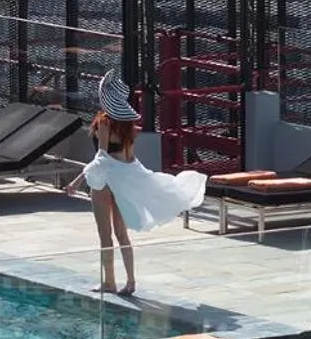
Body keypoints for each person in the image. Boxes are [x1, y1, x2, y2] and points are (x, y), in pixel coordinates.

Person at [61, 71, 207, 296]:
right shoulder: (128, 126)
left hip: (103, 181)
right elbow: (129, 158)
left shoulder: (104, 122)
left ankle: (109, 282)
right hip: (124, 181)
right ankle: (130, 281)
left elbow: (101, 158)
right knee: (122, 235)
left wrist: (76, 181)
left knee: (105, 235)